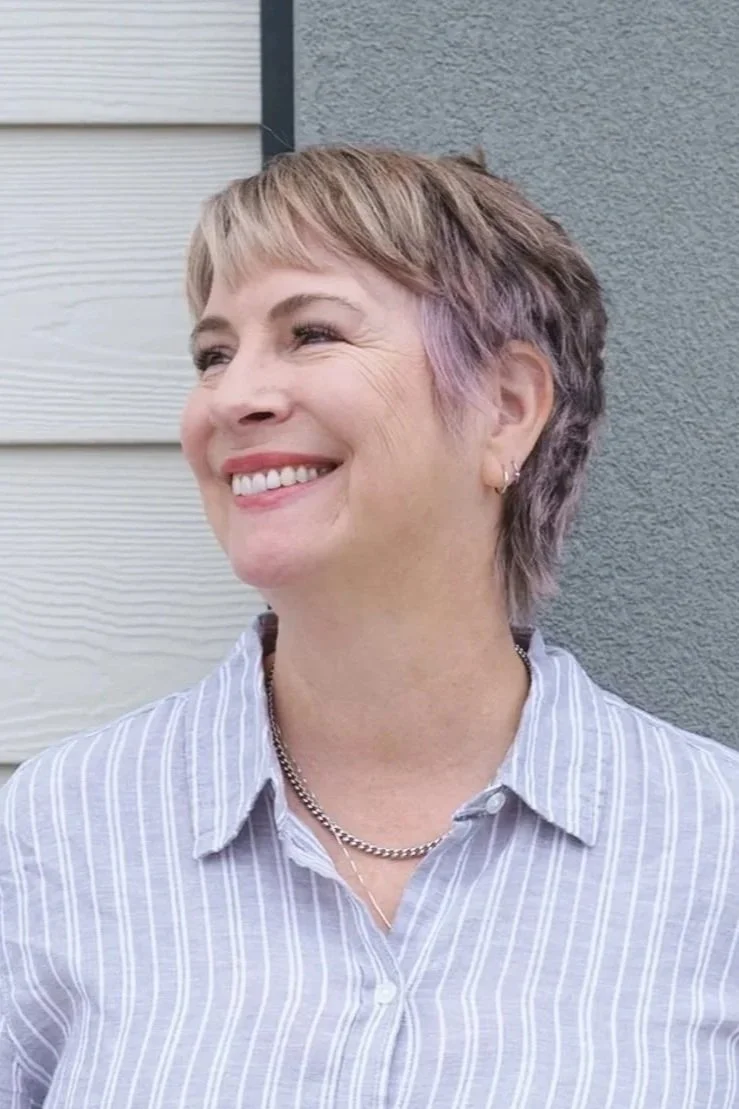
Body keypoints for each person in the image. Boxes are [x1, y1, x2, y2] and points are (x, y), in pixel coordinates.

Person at [0, 144, 736, 1109]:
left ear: (507, 410)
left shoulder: (713, 845)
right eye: (212, 352)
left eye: (309, 333)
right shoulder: (62, 830)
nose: (231, 396)